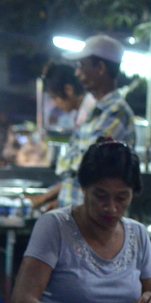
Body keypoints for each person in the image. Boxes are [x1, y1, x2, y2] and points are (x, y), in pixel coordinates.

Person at [11, 138, 151, 303]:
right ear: (84, 188)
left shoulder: (138, 234)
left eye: (122, 197)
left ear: (133, 193)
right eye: (100, 195)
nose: (111, 207)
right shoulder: (55, 226)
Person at [47, 35, 134, 209]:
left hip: (92, 225)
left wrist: (66, 165)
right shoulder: (95, 113)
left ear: (100, 68)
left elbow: (89, 164)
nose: (77, 73)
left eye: (82, 66)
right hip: (77, 221)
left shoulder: (116, 113)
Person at [30, 63, 95, 211]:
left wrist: (43, 198)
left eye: (54, 97)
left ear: (68, 90)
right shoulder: (81, 115)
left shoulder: (92, 114)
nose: (55, 104)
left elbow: (81, 169)